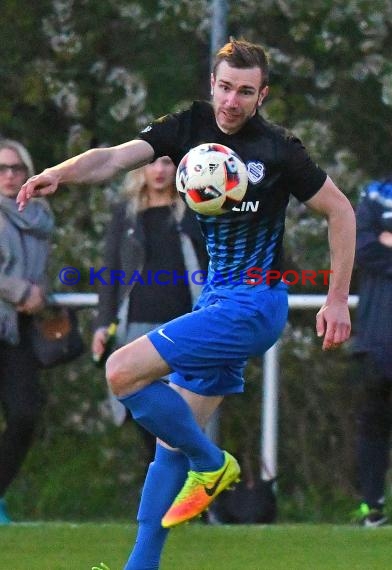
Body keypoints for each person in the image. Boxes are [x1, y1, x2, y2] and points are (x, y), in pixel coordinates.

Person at [17, 38, 355, 569]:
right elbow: (113, 158)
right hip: (217, 303)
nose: (231, 101)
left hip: (255, 304)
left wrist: (337, 300)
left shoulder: (280, 149)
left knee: (121, 371)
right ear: (212, 85)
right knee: (167, 445)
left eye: (245, 91)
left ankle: (213, 461)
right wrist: (60, 171)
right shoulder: (189, 125)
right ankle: (141, 564)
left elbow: (341, 212)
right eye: (224, 87)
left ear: (261, 95)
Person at [91, 156, 207, 461]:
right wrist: (102, 324)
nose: (159, 170)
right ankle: (161, 495)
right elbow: (111, 271)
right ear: (140, 168)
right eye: (152, 163)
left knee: (185, 415)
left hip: (183, 326)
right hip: (136, 326)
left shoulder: (195, 210)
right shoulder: (126, 214)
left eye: (167, 163)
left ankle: (190, 498)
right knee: (144, 412)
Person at [0, 139, 54, 525]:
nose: (9, 176)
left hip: (19, 329)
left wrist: (41, 293)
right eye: (1, 169)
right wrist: (21, 291)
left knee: (24, 414)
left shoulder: (39, 216)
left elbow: (44, 269)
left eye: (16, 169)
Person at [352, 176, 392, 527]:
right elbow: (362, 246)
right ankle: (372, 506)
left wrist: (387, 240)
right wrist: (377, 241)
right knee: (374, 421)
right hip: (379, 331)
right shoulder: (375, 192)